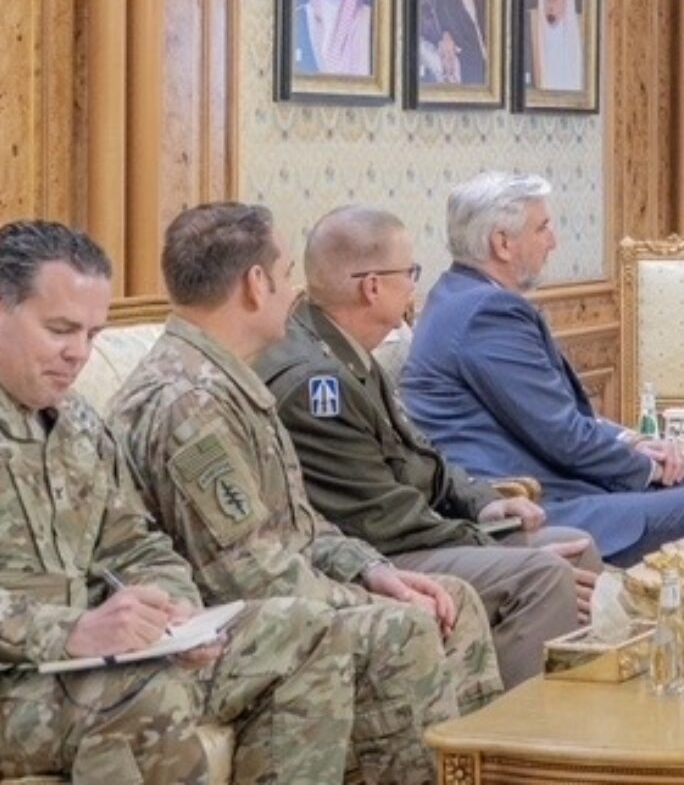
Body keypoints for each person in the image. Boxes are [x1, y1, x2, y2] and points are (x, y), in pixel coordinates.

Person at [0, 221, 353, 784]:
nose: (79, 355)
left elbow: (136, 543)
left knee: (309, 631)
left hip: (86, 661)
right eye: (60, 330)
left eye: (92, 335)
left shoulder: (73, 419)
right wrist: (69, 630)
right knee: (145, 693)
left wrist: (174, 614)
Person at [108, 202, 503, 783]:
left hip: (280, 595)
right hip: (222, 623)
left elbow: (296, 523)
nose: (295, 291)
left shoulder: (230, 379)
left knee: (453, 599)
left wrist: (372, 572)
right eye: (288, 272)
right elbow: (247, 573)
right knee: (405, 628)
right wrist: (371, 602)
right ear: (255, 283)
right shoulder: (189, 401)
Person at [258, 205, 603, 686]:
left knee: (577, 551)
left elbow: (421, 455)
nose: (415, 286)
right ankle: (498, 741)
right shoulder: (316, 383)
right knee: (544, 577)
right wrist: (491, 546)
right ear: (372, 286)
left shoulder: (345, 349)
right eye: (410, 273)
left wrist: (483, 504)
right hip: (376, 554)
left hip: (418, 532)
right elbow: (382, 518)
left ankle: (569, 719)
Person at [402, 171, 684, 565]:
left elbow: (558, 419)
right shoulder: (486, 313)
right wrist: (649, 468)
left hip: (558, 479)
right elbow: (562, 436)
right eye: (542, 228)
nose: (553, 241)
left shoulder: (460, 294)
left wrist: (632, 441)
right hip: (535, 502)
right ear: (502, 243)